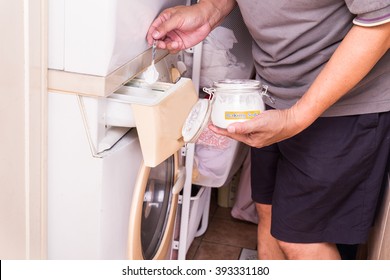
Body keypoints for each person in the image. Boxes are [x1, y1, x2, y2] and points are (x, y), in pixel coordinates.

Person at [147, 0, 390, 260]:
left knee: (299, 240)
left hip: (342, 105)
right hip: (274, 91)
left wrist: (296, 117)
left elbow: (381, 21)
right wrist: (208, 12)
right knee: (267, 212)